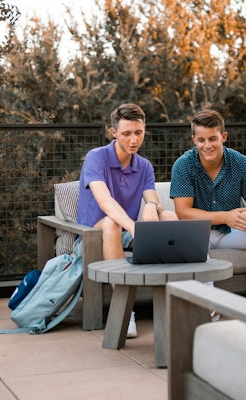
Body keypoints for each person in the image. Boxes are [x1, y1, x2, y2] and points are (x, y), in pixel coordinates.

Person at [76, 103, 177, 338]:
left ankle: (176, 302)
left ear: (144, 130)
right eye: (126, 134)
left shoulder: (144, 166)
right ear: (113, 133)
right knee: (112, 223)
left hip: (127, 231)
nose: (134, 140)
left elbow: (152, 198)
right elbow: (105, 202)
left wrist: (152, 207)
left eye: (138, 133)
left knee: (169, 215)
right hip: (93, 232)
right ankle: (125, 310)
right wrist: (134, 228)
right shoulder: (96, 158)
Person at [170, 109, 246, 308]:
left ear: (224, 137)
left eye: (213, 139)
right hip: (199, 235)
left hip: (231, 234)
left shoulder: (241, 162)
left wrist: (244, 219)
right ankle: (210, 305)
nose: (207, 145)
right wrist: (226, 217)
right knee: (190, 236)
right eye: (201, 140)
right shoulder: (183, 165)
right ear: (193, 139)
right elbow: (183, 212)